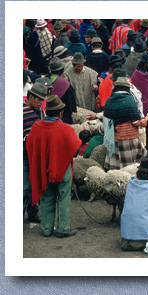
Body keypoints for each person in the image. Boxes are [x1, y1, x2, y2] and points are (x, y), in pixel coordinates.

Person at [26, 95, 81, 238]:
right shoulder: (65, 128)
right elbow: (75, 149)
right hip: (63, 169)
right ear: (60, 113)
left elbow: (29, 145)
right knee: (63, 197)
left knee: (46, 196)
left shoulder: (36, 127)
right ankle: (63, 229)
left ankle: (46, 228)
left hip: (44, 169)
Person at [103, 77, 148, 170]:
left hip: (114, 138)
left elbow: (106, 119)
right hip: (130, 139)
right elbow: (135, 121)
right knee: (130, 166)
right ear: (127, 88)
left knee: (118, 167)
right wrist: (144, 121)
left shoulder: (109, 100)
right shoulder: (130, 100)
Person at [23, 82, 47, 223]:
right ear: (30, 96)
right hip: (24, 154)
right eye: (38, 99)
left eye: (42, 100)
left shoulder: (41, 112)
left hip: (36, 155)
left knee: (34, 185)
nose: (41, 103)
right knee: (24, 186)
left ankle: (33, 213)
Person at [48, 57, 77, 124]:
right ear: (61, 70)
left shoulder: (45, 81)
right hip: (63, 115)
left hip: (48, 113)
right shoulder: (64, 83)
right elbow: (70, 101)